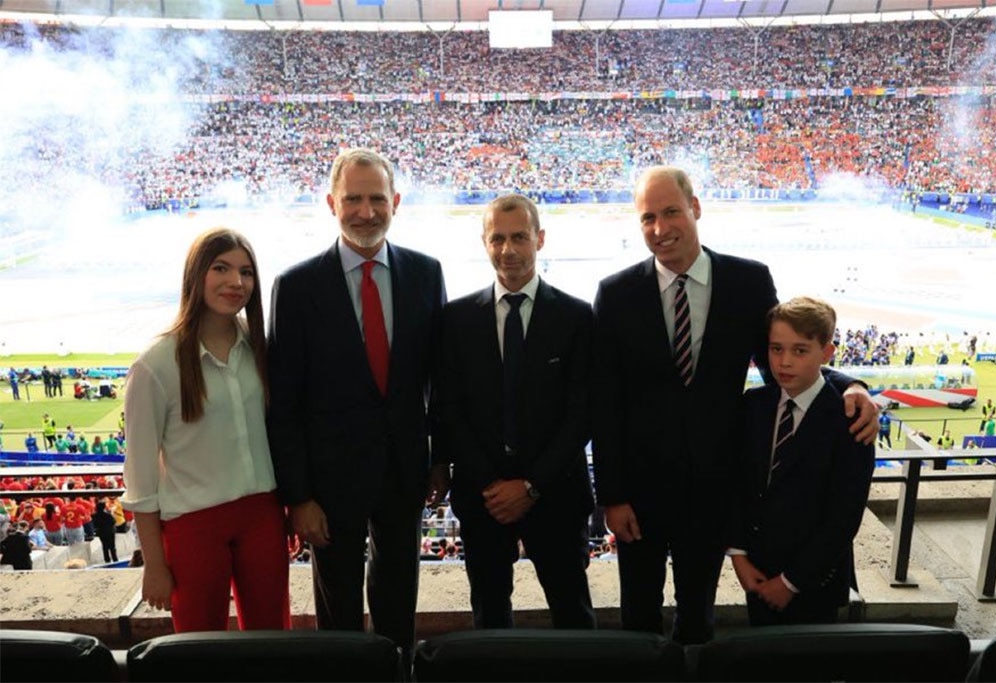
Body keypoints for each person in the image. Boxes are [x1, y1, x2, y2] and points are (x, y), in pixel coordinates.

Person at [590, 165, 880, 645]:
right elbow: (605, 400)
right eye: (647, 219)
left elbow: (787, 359)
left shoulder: (748, 282)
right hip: (639, 495)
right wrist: (613, 495)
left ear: (696, 208)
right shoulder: (616, 293)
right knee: (637, 617)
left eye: (670, 213)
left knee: (697, 617)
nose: (660, 230)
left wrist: (852, 383)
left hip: (713, 491)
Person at [266, 148, 447, 659]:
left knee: (398, 600)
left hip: (403, 471)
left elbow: (439, 381)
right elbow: (285, 401)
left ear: (396, 202)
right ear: (331, 203)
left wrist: (438, 458)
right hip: (328, 483)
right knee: (337, 608)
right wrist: (298, 495)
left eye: (376, 199)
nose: (366, 212)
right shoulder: (297, 287)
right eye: (353, 200)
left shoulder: (426, 273)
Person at [435, 194, 595, 629]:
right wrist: (491, 483)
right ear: (484, 243)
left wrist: (530, 485)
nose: (508, 250)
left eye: (519, 237)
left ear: (539, 239)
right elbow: (448, 410)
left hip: (557, 494)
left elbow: (581, 414)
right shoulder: (455, 320)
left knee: (573, 614)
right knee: (489, 615)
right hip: (482, 497)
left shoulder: (578, 318)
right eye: (498, 239)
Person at [122, 227, 291, 633]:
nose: (236, 282)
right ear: (196, 274)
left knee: (272, 639)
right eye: (221, 268)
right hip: (193, 524)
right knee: (198, 645)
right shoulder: (156, 365)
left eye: (246, 272)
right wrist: (155, 565)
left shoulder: (260, 348)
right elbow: (141, 479)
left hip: (263, 517)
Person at [729, 297, 876, 626]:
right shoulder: (753, 405)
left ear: (826, 354)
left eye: (799, 350)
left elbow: (843, 516)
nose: (784, 362)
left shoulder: (850, 419)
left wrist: (791, 581)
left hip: (815, 582)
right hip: (757, 572)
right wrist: (738, 554)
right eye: (776, 349)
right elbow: (737, 485)